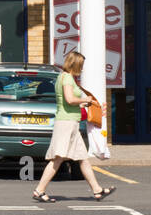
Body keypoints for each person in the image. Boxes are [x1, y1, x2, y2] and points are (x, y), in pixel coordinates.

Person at [32, 50, 114, 202]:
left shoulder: (62, 77)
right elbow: (69, 99)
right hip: (66, 123)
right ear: (74, 64)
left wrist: (85, 102)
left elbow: (68, 101)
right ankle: (39, 190)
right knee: (57, 159)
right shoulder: (67, 79)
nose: (81, 69)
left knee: (83, 158)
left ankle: (97, 190)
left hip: (71, 123)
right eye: (80, 65)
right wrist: (87, 99)